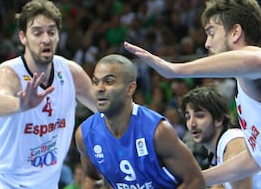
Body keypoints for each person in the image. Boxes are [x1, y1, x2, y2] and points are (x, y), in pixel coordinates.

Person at [124, 0, 261, 188]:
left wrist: (174, 70)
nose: (207, 43)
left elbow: (259, 61)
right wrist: (193, 178)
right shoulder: (247, 92)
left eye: (212, 33)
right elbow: (256, 158)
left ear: (235, 33)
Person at [0, 0, 97, 188]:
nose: (45, 39)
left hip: (42, 183)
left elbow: (106, 109)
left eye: (51, 32)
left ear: (58, 36)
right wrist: (20, 104)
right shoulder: (7, 73)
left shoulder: (71, 73)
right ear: (23, 37)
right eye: (37, 33)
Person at [75, 54, 205, 189]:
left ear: (130, 88)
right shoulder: (85, 135)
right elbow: (91, 177)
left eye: (109, 82)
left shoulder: (158, 131)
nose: (99, 88)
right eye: (95, 82)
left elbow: (195, 180)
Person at [181, 85, 261, 189]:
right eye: (188, 117)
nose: (192, 123)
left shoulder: (233, 141)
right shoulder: (215, 152)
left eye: (200, 116)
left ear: (219, 119)